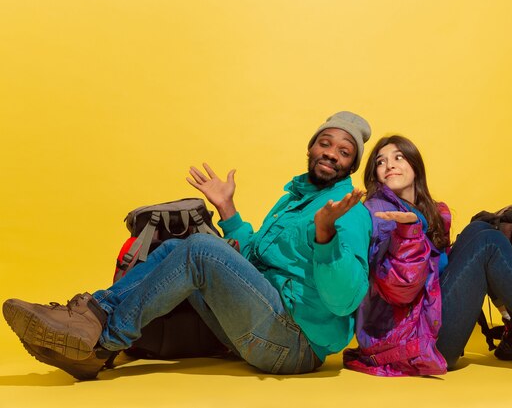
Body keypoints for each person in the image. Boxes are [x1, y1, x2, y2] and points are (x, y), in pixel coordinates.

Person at [3, 111, 373, 380]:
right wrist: (226, 209)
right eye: (325, 143)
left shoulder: (348, 212)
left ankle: (100, 340)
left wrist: (325, 236)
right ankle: (94, 324)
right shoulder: (294, 199)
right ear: (310, 148)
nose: (331, 153)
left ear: (351, 164)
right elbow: (256, 259)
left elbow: (344, 301)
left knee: (200, 249)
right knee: (178, 245)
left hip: (294, 344)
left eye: (343, 151)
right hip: (268, 322)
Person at [343, 134, 512, 377]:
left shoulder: (430, 213)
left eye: (398, 157)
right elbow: (399, 291)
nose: (389, 164)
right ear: (375, 174)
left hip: (429, 324)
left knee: (482, 228)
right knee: (486, 242)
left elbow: (443, 276)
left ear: (415, 166)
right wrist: (406, 233)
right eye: (380, 161)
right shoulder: (379, 213)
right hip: (412, 343)